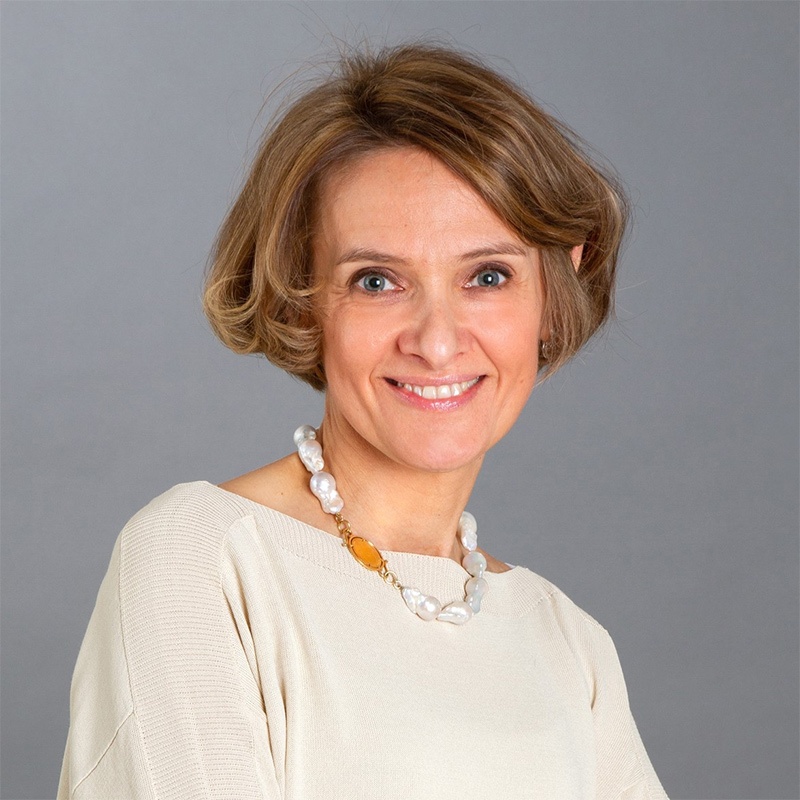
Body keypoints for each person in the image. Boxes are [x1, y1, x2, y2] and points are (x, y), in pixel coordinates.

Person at [57, 43, 668, 799]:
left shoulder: (569, 644)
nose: (437, 341)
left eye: (487, 276)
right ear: (301, 300)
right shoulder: (204, 559)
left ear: (556, 288)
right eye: (376, 281)